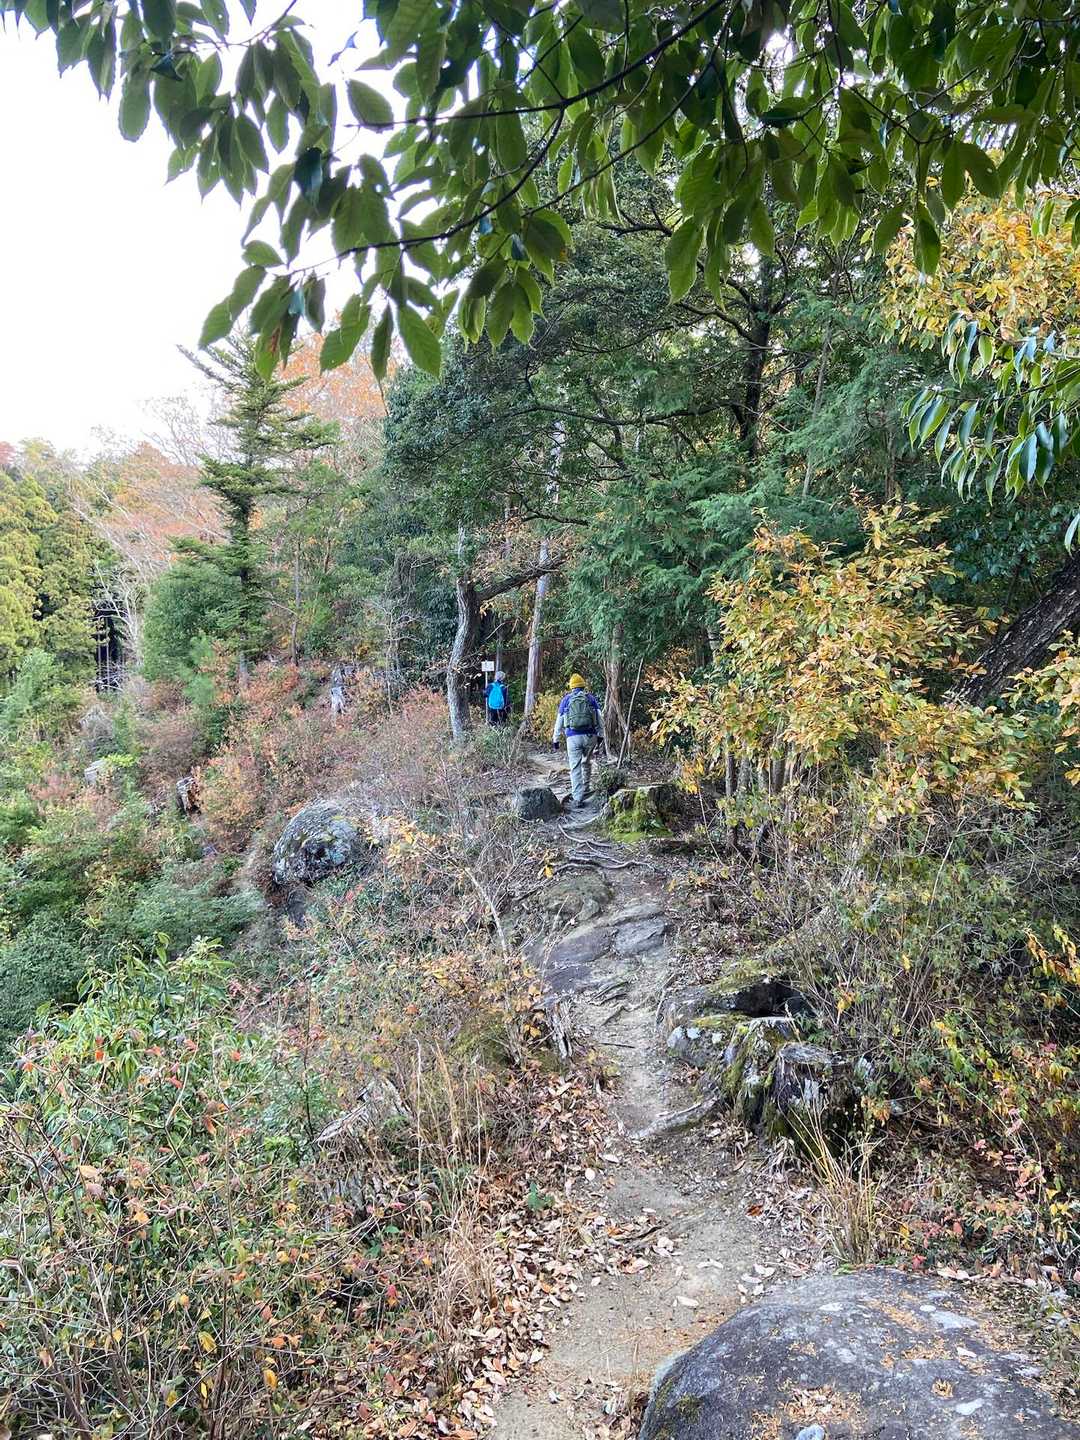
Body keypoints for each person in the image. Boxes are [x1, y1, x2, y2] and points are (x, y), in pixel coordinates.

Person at [552, 672, 602, 806]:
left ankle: (578, 798)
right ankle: (586, 788)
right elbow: (600, 718)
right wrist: (600, 736)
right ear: (583, 686)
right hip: (590, 737)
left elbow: (559, 721)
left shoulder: (566, 700)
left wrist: (555, 739)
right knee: (586, 761)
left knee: (575, 767)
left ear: (571, 687)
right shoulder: (590, 698)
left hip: (573, 738)